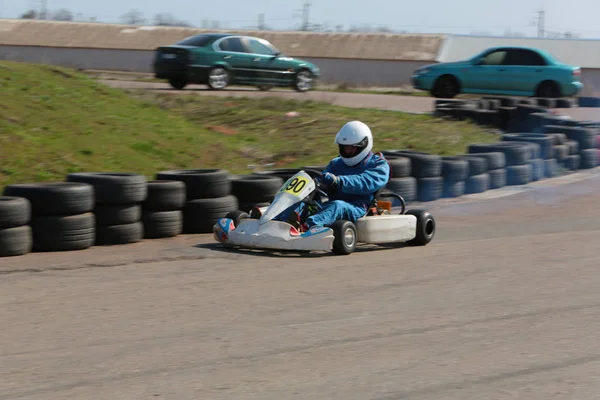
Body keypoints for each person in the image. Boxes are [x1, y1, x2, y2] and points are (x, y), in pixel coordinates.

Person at [254, 120, 391, 233]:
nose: (347, 151)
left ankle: (305, 226)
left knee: (338, 205)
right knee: (304, 203)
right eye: (344, 147)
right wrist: (315, 183)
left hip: (356, 207)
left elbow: (366, 182)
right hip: (329, 204)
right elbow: (324, 179)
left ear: (363, 145)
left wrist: (338, 181)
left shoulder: (378, 165)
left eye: (352, 148)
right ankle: (274, 220)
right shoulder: (337, 163)